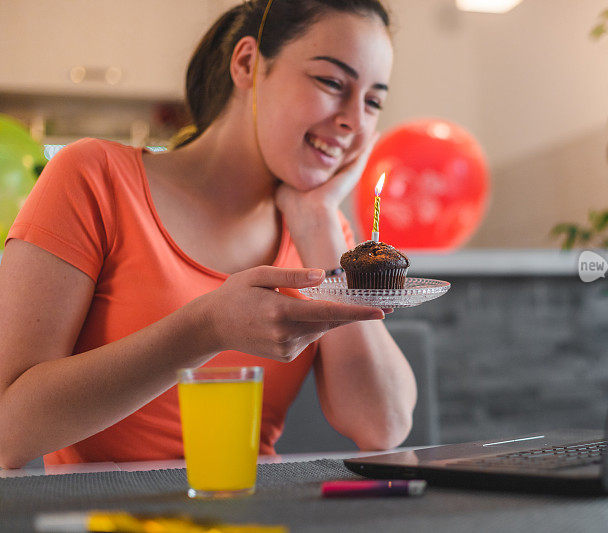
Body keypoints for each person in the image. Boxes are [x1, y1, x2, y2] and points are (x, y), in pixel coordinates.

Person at [0, 0, 417, 469]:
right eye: (332, 83)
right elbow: (7, 433)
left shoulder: (321, 231)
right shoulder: (94, 178)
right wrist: (205, 329)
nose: (353, 120)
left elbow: (383, 425)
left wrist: (318, 217)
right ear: (247, 64)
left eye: (373, 101)